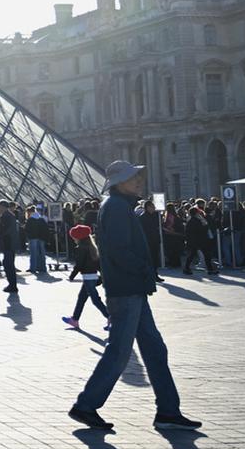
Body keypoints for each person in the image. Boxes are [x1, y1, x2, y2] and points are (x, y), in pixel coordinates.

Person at [70, 161, 200, 432]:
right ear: (120, 183)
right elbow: (119, 251)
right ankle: (86, 405)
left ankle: (168, 411)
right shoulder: (116, 208)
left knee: (154, 349)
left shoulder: (119, 206)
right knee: (119, 351)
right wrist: (144, 271)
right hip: (126, 289)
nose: (139, 180)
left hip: (132, 289)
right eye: (133, 177)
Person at [62, 223, 109, 330]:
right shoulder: (92, 247)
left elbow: (79, 265)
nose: (73, 239)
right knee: (82, 298)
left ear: (79, 238)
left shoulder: (81, 249)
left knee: (95, 300)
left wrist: (71, 276)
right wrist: (102, 276)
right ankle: (75, 319)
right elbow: (98, 264)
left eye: (74, 237)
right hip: (92, 276)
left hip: (87, 278)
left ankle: (110, 317)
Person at [0, 201, 20, 293]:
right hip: (11, 243)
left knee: (8, 264)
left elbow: (5, 230)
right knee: (8, 263)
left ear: (3, 207)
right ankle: (12, 284)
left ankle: (12, 285)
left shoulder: (5, 216)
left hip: (8, 243)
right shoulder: (10, 215)